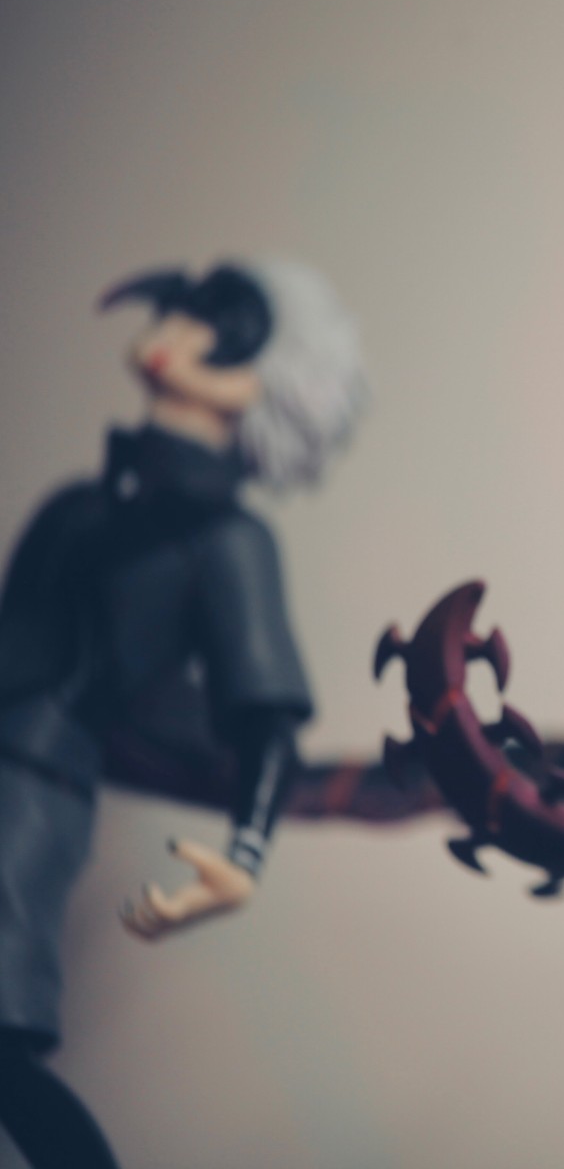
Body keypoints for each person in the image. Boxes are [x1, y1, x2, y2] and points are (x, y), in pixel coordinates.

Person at [0, 258, 366, 1169]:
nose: (178, 333)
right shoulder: (76, 507)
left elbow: (264, 716)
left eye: (222, 325)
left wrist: (245, 858)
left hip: (31, 792)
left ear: (264, 384)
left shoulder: (228, 542)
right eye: (187, 310)